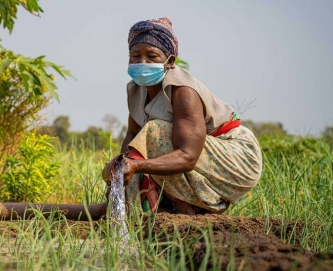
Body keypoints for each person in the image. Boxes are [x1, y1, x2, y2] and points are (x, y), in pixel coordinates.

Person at [104, 17, 262, 215]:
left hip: (237, 157)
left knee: (155, 131)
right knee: (141, 147)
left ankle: (187, 209)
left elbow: (188, 157)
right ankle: (166, 208)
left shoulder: (182, 90)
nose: (142, 62)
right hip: (202, 154)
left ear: (170, 61)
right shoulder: (135, 90)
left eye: (151, 56)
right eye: (136, 55)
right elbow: (132, 136)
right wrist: (120, 169)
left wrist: (136, 165)